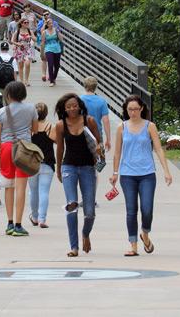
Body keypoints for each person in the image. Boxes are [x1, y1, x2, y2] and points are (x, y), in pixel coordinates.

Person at [111, 95, 172, 256]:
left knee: (147, 208)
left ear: (142, 109)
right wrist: (115, 173)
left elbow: (158, 148)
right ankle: (133, 245)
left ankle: (145, 233)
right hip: (127, 174)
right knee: (131, 210)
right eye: (130, 109)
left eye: (136, 109)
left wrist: (166, 170)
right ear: (126, 110)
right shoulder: (121, 127)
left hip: (147, 173)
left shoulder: (150, 126)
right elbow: (117, 153)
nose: (133, 112)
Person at [55, 93, 101, 257]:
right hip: (69, 167)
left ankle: (85, 234)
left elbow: (98, 141)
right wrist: (58, 168)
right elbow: (60, 148)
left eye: (74, 105)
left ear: (80, 106)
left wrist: (99, 149)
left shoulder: (89, 121)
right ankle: (74, 247)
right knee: (72, 205)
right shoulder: (61, 125)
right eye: (68, 107)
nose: (72, 109)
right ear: (64, 109)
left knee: (89, 211)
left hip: (88, 167)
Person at [0, 81, 39, 236]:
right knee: (21, 187)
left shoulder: (1, 112)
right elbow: (35, 129)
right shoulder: (31, 108)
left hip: (6, 148)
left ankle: (10, 223)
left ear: (8, 94)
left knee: (8, 186)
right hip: (24, 149)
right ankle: (19, 225)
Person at [28, 102, 56, 229]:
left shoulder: (29, 128)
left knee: (33, 191)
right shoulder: (50, 127)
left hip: (32, 164)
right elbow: (57, 141)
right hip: (47, 163)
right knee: (44, 191)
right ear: (46, 114)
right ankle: (42, 219)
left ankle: (34, 216)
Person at [81, 77, 111, 153]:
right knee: (98, 158)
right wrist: (108, 139)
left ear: (84, 86)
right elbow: (106, 121)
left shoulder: (79, 100)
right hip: (97, 133)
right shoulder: (102, 101)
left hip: (82, 132)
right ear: (95, 87)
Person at [11, 18, 36, 86]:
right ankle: (22, 81)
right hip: (19, 49)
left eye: (27, 22)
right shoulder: (17, 31)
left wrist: (32, 36)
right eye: (25, 22)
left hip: (27, 49)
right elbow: (12, 41)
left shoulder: (30, 31)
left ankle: (26, 80)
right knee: (20, 65)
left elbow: (35, 39)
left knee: (27, 64)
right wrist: (18, 44)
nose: (27, 23)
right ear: (21, 23)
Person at [41, 16, 62, 87]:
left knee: (57, 66)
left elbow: (61, 39)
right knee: (50, 64)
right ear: (47, 24)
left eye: (52, 23)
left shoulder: (56, 30)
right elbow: (43, 43)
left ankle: (53, 77)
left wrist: (58, 32)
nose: (51, 24)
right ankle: (51, 81)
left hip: (57, 49)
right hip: (48, 49)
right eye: (49, 23)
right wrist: (42, 53)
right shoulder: (44, 32)